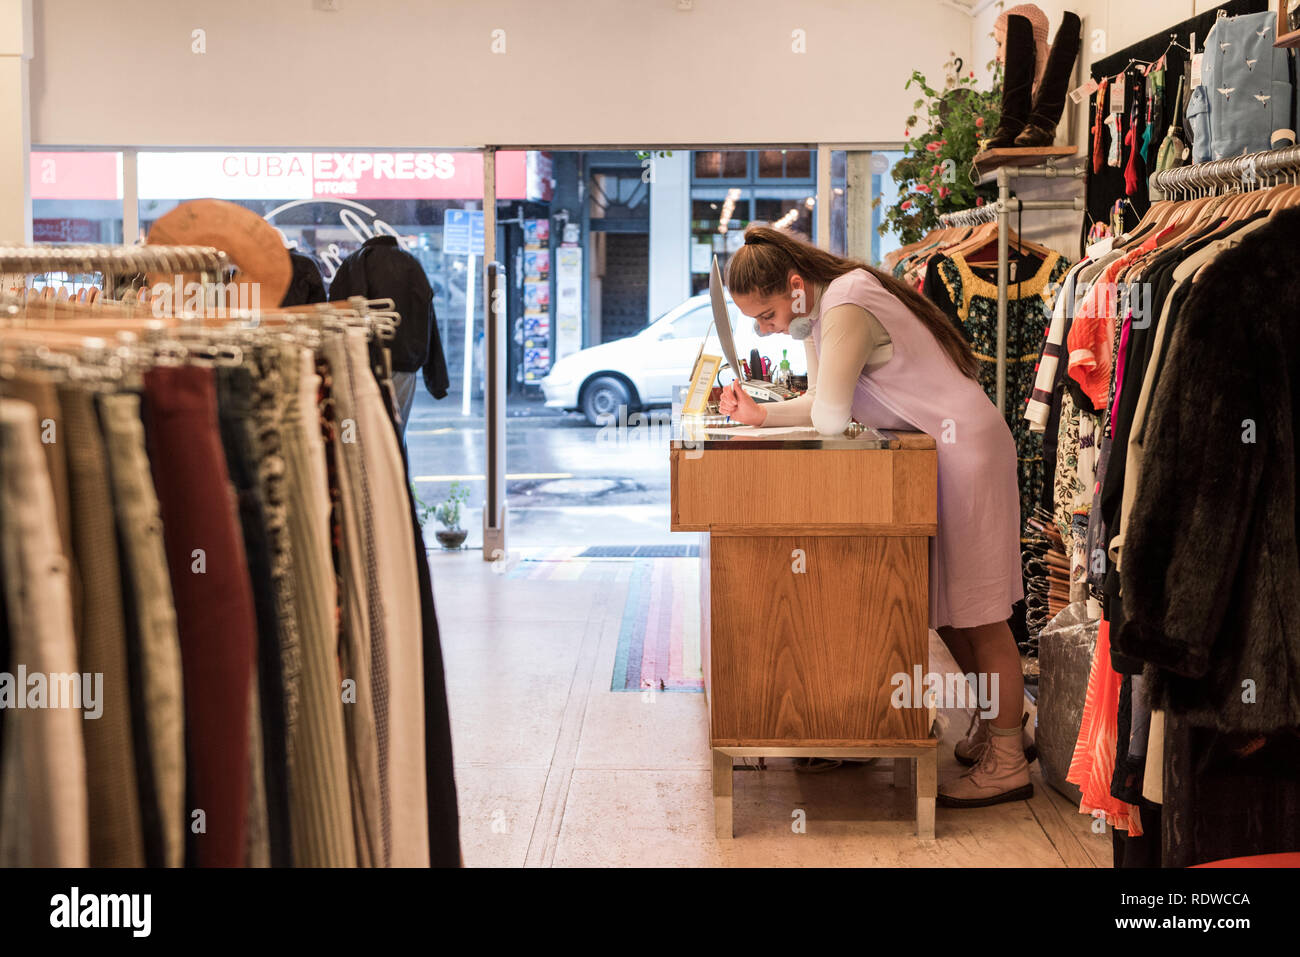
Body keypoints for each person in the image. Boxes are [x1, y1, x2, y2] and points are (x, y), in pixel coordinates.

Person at [718, 224, 1032, 808]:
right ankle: (1000, 730)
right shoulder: (830, 304)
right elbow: (824, 402)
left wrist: (773, 412)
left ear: (794, 286)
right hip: (941, 452)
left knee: (981, 616)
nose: (766, 330)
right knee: (950, 613)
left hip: (966, 455)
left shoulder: (846, 303)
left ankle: (1010, 760)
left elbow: (832, 417)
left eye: (765, 315)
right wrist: (761, 416)